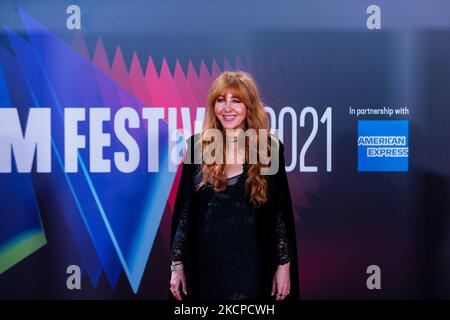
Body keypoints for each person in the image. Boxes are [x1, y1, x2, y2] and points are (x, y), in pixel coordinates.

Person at [169, 71, 300, 300]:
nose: (227, 108)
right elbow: (185, 212)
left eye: (236, 101)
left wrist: (283, 264)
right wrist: (177, 265)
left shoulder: (269, 149)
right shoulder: (197, 147)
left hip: (253, 266)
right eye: (221, 100)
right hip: (206, 265)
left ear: (248, 105)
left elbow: (278, 212)